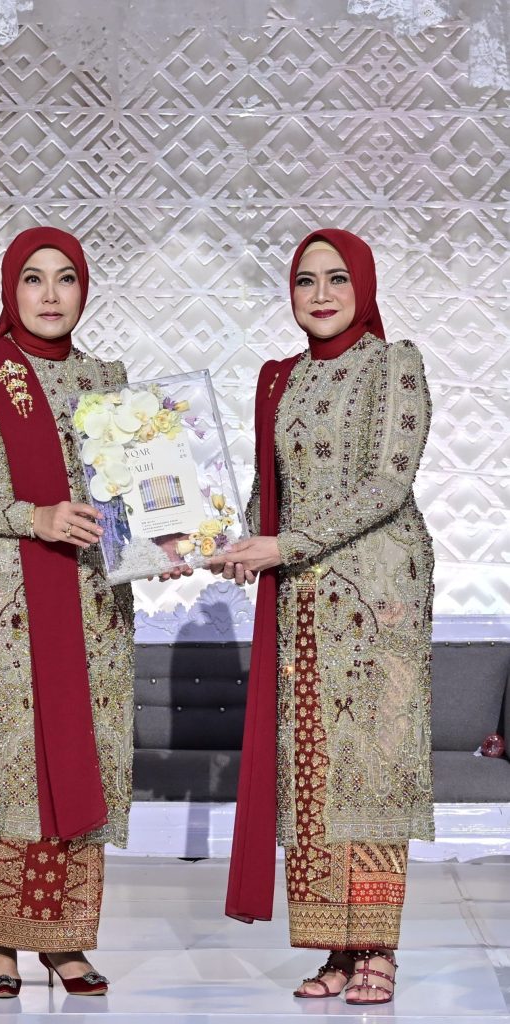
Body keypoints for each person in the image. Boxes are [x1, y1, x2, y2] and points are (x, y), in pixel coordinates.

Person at [210, 228, 434, 1005]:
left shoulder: (393, 363)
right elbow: (267, 489)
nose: (321, 293)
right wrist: (226, 545)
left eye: (337, 278)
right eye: (305, 280)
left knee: (370, 767)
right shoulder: (281, 378)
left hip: (377, 598)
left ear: (362, 286)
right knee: (312, 771)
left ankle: (376, 945)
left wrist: (282, 545)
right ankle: (334, 946)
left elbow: (387, 485)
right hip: (301, 597)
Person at [0, 227, 135, 998]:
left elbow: (127, 497)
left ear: (84, 290)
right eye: (33, 278)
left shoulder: (107, 380)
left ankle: (64, 940)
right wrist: (30, 516)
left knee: (78, 761)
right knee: (3, 767)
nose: (49, 293)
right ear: (11, 291)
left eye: (65, 278)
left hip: (88, 607)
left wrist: (171, 538)